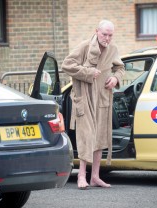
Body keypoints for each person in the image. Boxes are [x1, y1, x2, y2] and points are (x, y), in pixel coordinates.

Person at [61, 20, 125, 189]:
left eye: (110, 35)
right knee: (86, 136)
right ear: (96, 31)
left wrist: (115, 78)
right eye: (104, 34)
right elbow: (66, 65)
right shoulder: (84, 46)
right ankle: (81, 176)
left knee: (100, 137)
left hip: (103, 98)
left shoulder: (113, 49)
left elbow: (120, 68)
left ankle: (95, 177)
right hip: (85, 98)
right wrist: (88, 72)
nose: (107, 38)